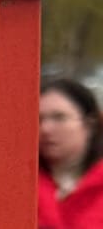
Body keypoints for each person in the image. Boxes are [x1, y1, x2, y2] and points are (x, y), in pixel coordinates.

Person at [40, 78, 103, 228]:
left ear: (89, 124)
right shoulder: (19, 182)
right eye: (39, 119)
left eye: (59, 117)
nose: (45, 129)